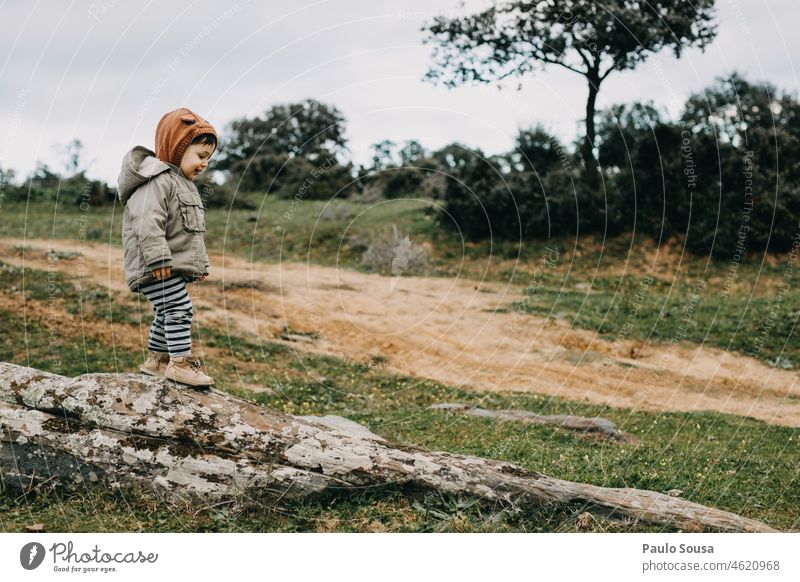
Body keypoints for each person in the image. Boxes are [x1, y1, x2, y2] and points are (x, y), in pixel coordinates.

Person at [117, 107, 217, 388]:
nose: (204, 163)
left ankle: (157, 361)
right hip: (155, 265)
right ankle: (180, 364)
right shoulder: (157, 180)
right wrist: (159, 258)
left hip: (168, 265)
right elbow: (147, 222)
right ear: (177, 148)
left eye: (208, 158)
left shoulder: (183, 184)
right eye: (200, 156)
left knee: (168, 310)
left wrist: (199, 266)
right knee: (179, 309)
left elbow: (191, 233)